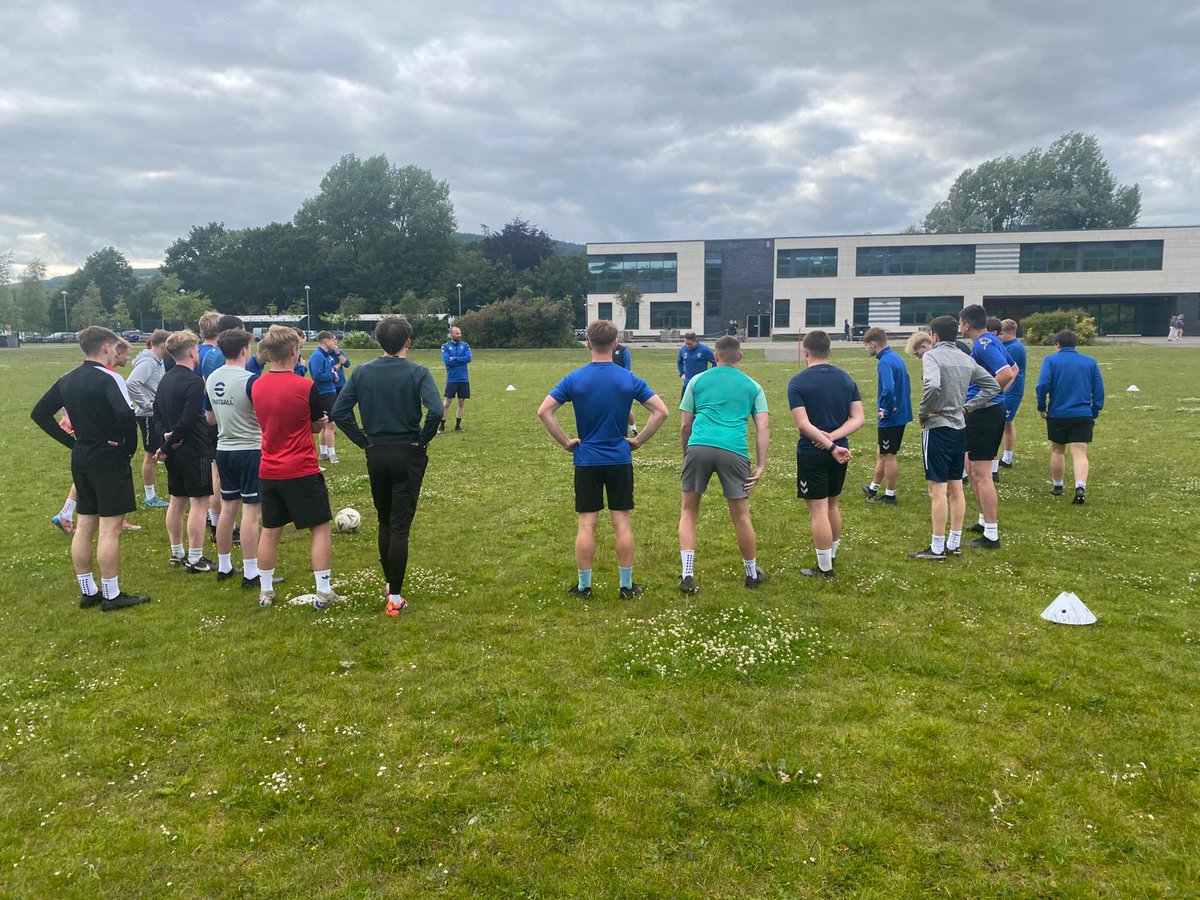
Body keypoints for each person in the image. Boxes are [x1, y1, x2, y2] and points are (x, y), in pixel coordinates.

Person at [537, 320, 669, 599]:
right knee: (621, 522)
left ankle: (584, 587)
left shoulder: (574, 378)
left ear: (588, 343)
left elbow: (544, 411)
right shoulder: (628, 378)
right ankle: (626, 586)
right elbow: (661, 411)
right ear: (616, 343)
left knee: (587, 524)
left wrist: (566, 442)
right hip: (619, 459)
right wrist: (638, 440)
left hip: (586, 460)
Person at [31, 326, 150, 611]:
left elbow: (40, 413)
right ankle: (111, 594)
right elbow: (125, 415)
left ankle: (88, 590)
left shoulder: (67, 378)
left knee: (85, 524)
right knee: (110, 528)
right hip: (108, 456)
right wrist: (127, 450)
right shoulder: (109, 377)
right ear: (107, 347)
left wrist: (73, 443)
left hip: (82, 455)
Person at [332, 316, 443, 616]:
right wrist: (422, 440)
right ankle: (395, 596)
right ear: (408, 341)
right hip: (408, 452)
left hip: (377, 453)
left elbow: (340, 411)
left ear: (379, 341)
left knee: (384, 519)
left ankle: (389, 583)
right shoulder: (418, 371)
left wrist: (363, 441)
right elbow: (435, 410)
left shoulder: (362, 372)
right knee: (399, 526)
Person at [250, 325, 340, 608]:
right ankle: (324, 591)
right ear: (293, 351)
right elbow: (314, 424)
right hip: (301, 467)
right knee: (320, 528)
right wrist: (321, 424)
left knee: (270, 529)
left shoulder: (256, 384)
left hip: (269, 468)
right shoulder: (305, 386)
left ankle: (265, 591)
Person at [677, 335, 769, 594]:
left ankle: (687, 573)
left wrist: (688, 452)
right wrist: (760, 465)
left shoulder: (696, 380)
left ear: (715, 357)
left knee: (688, 512)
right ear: (740, 357)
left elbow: (685, 424)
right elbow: (763, 426)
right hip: (735, 450)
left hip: (699, 447)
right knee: (740, 516)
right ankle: (751, 573)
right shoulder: (753, 386)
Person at [908, 316, 1001, 561]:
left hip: (937, 427)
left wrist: (923, 412)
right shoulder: (966, 357)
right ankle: (954, 542)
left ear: (934, 336)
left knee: (936, 490)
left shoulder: (932, 356)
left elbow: (932, 385)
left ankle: (937, 547)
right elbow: (992, 386)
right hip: (960, 428)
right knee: (956, 487)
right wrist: (968, 407)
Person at [787, 330, 865, 578]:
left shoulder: (798, 382)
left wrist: (826, 442)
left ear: (805, 351)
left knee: (818, 510)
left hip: (815, 450)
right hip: (841, 450)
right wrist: (834, 438)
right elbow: (858, 418)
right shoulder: (846, 379)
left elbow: (803, 424)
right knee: (833, 504)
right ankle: (830, 555)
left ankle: (824, 568)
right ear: (829, 351)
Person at [205, 328, 274, 588]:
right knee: (251, 512)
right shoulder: (251, 379)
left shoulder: (211, 377)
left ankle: (224, 566)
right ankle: (250, 572)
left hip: (224, 449)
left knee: (227, 508)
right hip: (250, 449)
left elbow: (209, 418)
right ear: (245, 350)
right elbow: (264, 417)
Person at [154, 330, 215, 573]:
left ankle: (176, 552)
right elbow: (189, 419)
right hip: (194, 449)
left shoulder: (165, 379)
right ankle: (196, 557)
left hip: (175, 450)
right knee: (200, 503)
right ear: (191, 352)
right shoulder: (193, 381)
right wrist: (169, 443)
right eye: (197, 349)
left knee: (176, 500)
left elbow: (157, 415)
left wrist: (165, 441)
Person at [959, 304, 1017, 549]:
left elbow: (1006, 373)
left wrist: (983, 399)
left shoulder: (984, 344)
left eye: (961, 323)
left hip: (983, 413)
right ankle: (983, 521)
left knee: (982, 474)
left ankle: (991, 534)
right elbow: (1015, 367)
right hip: (985, 411)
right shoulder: (991, 342)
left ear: (966, 324)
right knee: (972, 469)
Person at [1036, 330, 1104, 504]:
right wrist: (1095, 409)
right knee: (1080, 452)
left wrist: (1042, 406)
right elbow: (1098, 388)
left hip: (1058, 413)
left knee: (1058, 449)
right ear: (1075, 344)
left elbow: (1043, 384)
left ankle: (1058, 485)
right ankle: (1080, 485)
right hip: (1082, 413)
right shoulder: (1090, 362)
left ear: (1057, 345)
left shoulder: (1051, 360)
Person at [861, 327, 912, 505]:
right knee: (881, 452)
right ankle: (874, 487)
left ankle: (890, 495)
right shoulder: (896, 357)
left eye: (867, 345)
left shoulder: (884, 362)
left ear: (874, 343)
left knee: (889, 454)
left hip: (891, 417)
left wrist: (887, 409)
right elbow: (907, 381)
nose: (867, 349)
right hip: (902, 414)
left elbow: (888, 388)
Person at [127, 329, 172, 508]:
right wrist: (147, 404)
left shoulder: (157, 361)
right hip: (147, 416)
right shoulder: (148, 362)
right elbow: (131, 383)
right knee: (151, 454)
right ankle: (149, 496)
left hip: (156, 414)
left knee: (159, 452)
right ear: (163, 344)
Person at [309, 331, 347, 463]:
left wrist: (333, 372)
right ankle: (332, 454)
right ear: (325, 341)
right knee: (331, 424)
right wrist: (332, 376)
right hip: (324, 393)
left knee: (325, 424)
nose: (334, 342)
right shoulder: (318, 356)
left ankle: (324, 453)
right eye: (332, 340)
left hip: (328, 391)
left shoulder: (324, 355)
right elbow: (317, 375)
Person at [998, 319, 1027, 469]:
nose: (999, 337)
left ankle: (998, 460)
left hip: (1011, 390)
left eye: (1001, 334)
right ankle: (1007, 457)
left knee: (1000, 422)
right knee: (1007, 422)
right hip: (1007, 389)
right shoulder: (1007, 345)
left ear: (1010, 333)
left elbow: (1009, 372)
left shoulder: (1014, 348)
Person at [439, 325, 471, 434]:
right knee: (447, 403)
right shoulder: (445, 346)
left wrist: (455, 358)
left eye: (460, 333)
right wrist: (460, 360)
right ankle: (441, 426)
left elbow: (468, 358)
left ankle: (458, 426)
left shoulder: (465, 345)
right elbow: (447, 361)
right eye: (457, 333)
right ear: (451, 334)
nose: (459, 335)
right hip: (452, 379)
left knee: (461, 402)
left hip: (464, 379)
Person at [612, 340, 639, 436]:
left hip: (622, 383)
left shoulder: (623, 351)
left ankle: (633, 429)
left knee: (625, 408)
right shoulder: (605, 351)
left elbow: (628, 368)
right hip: (610, 384)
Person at [677, 331, 716, 397]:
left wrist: (710, 374)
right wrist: (682, 373)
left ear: (695, 341)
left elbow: (715, 362)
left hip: (700, 382)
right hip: (687, 382)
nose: (688, 346)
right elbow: (679, 362)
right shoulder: (683, 349)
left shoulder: (704, 350)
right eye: (686, 344)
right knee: (684, 405)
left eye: (690, 344)